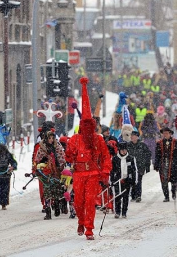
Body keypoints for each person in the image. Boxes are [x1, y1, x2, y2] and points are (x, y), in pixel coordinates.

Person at [65, 77, 112, 240]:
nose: (86, 128)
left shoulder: (98, 139)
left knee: (90, 201)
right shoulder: (75, 139)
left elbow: (106, 157)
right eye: (83, 125)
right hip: (78, 174)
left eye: (89, 125)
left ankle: (89, 228)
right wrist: (69, 152)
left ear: (92, 126)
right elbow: (69, 156)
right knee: (78, 202)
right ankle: (81, 220)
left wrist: (105, 172)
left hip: (92, 174)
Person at [34, 130, 63, 220]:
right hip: (46, 173)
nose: (51, 140)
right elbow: (37, 159)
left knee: (57, 191)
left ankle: (57, 205)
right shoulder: (41, 148)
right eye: (49, 138)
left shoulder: (57, 146)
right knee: (47, 192)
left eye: (52, 138)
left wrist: (60, 167)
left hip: (56, 172)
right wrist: (43, 162)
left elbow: (61, 157)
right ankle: (48, 211)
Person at [154, 127, 177, 202]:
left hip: (173, 164)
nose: (165, 135)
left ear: (170, 134)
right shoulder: (159, 143)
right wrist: (156, 164)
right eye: (164, 133)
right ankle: (166, 196)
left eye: (166, 133)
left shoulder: (175, 142)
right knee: (164, 181)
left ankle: (173, 192)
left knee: (174, 180)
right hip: (163, 165)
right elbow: (157, 155)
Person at [111, 142, 137, 218]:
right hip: (117, 180)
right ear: (119, 150)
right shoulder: (115, 158)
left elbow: (134, 170)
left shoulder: (131, 158)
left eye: (125, 150)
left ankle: (124, 212)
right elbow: (112, 171)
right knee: (117, 197)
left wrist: (134, 181)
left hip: (127, 180)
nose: (123, 152)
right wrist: (112, 180)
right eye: (122, 150)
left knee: (126, 197)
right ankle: (117, 212)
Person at [0, 144, 17, 211]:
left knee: (2, 190)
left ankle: (2, 204)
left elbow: (14, 162)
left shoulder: (8, 155)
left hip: (5, 174)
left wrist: (12, 167)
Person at [127, 131, 151, 202]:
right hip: (131, 166)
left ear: (137, 137)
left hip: (140, 166)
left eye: (134, 136)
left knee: (138, 181)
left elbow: (148, 155)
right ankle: (133, 195)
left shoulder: (143, 145)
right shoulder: (128, 145)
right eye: (131, 136)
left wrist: (147, 166)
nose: (132, 137)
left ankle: (138, 196)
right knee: (132, 181)